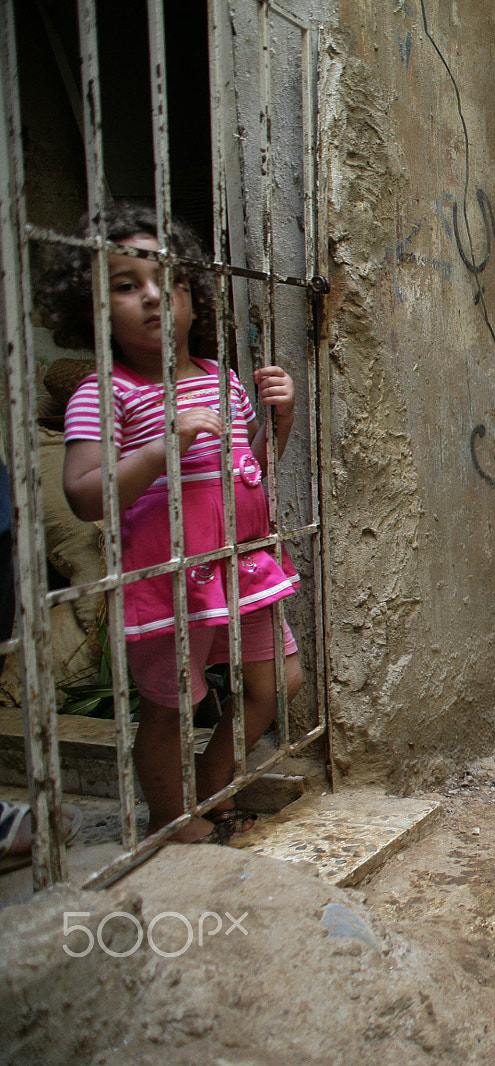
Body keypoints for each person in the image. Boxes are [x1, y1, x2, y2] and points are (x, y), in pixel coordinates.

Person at [37, 202, 303, 844]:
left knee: (279, 684)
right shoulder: (106, 393)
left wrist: (280, 423)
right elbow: (83, 494)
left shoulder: (223, 382)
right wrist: (160, 449)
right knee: (167, 712)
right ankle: (169, 820)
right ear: (95, 309)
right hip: (170, 581)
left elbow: (246, 471)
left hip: (243, 569)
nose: (154, 297)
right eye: (126, 286)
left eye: (171, 280)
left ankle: (206, 795)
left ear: (193, 296)